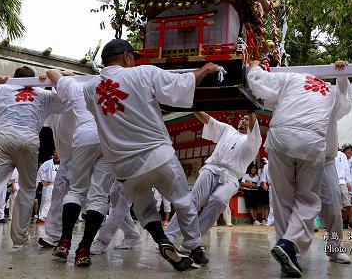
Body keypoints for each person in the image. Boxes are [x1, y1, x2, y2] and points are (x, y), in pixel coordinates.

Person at [83, 38, 219, 271]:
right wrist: (205, 68)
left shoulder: (89, 88)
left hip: (123, 164)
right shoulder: (143, 73)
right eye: (133, 57)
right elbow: (181, 86)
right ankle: (195, 248)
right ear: (127, 57)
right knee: (183, 202)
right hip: (157, 155)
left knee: (145, 208)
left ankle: (162, 240)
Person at [247, 59, 339, 277]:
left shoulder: (290, 77)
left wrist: (254, 67)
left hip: (281, 136)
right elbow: (344, 106)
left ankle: (287, 248)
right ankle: (289, 244)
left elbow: (259, 83)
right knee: (307, 199)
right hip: (312, 141)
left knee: (282, 199)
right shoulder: (329, 90)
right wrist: (343, 79)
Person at [0, 66, 68, 259]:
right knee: (28, 190)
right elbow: (65, 100)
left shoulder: (3, 88)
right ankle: (20, 240)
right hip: (29, 140)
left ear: (14, 78)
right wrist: (56, 79)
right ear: (33, 79)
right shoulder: (43, 93)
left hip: (3, 138)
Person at [45, 69, 114, 267]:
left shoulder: (77, 87)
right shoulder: (114, 89)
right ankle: (83, 249)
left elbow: (52, 73)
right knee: (99, 196)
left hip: (84, 137)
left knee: (76, 190)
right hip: (109, 139)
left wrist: (66, 74)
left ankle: (64, 241)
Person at [166, 111, 261, 241]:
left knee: (219, 200)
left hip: (232, 176)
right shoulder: (228, 129)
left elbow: (253, 124)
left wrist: (251, 110)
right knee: (192, 200)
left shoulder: (254, 141)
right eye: (242, 118)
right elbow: (210, 121)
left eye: (247, 119)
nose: (244, 121)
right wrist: (195, 108)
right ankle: (169, 235)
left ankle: (194, 237)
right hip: (211, 167)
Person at [318, 63, 352, 264]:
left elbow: (342, 96)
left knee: (332, 206)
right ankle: (291, 248)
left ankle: (335, 248)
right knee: (298, 208)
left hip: (326, 162)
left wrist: (341, 75)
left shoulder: (330, 102)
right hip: (301, 161)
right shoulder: (299, 102)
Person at [38, 108, 76, 248]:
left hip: (83, 155)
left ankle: (99, 236)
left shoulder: (80, 93)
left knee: (94, 199)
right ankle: (55, 236)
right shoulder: (55, 102)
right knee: (58, 194)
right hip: (66, 158)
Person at [90, 180, 142, 254]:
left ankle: (103, 240)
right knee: (115, 196)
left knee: (123, 202)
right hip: (122, 172)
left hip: (136, 171)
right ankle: (132, 235)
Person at [36, 150, 60, 224]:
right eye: (55, 152)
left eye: (58, 153)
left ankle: (52, 218)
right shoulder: (47, 163)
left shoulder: (63, 163)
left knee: (57, 202)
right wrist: (43, 180)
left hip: (59, 185)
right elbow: (40, 171)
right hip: (49, 185)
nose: (57, 154)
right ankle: (42, 218)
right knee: (46, 201)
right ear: (53, 154)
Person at [258, 158, 270, 226]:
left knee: (269, 204)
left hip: (271, 186)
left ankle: (267, 219)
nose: (263, 163)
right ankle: (264, 219)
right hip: (263, 188)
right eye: (263, 162)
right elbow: (262, 178)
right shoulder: (263, 168)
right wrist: (264, 184)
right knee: (264, 204)